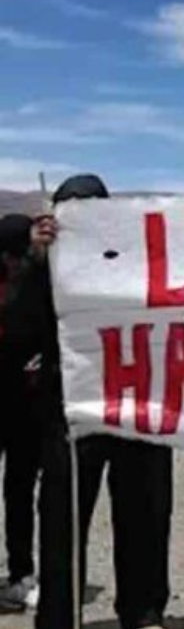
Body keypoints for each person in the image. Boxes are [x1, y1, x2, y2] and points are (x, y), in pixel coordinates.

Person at [13, 175, 176, 629]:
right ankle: (59, 618)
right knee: (62, 521)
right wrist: (38, 263)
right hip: (71, 414)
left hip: (138, 405)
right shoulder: (45, 268)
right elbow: (20, 336)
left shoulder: (141, 263)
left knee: (146, 510)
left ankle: (144, 612)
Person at [0, 214, 41, 612]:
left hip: (24, 409)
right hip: (16, 403)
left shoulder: (37, 280)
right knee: (19, 491)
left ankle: (21, 575)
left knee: (19, 492)